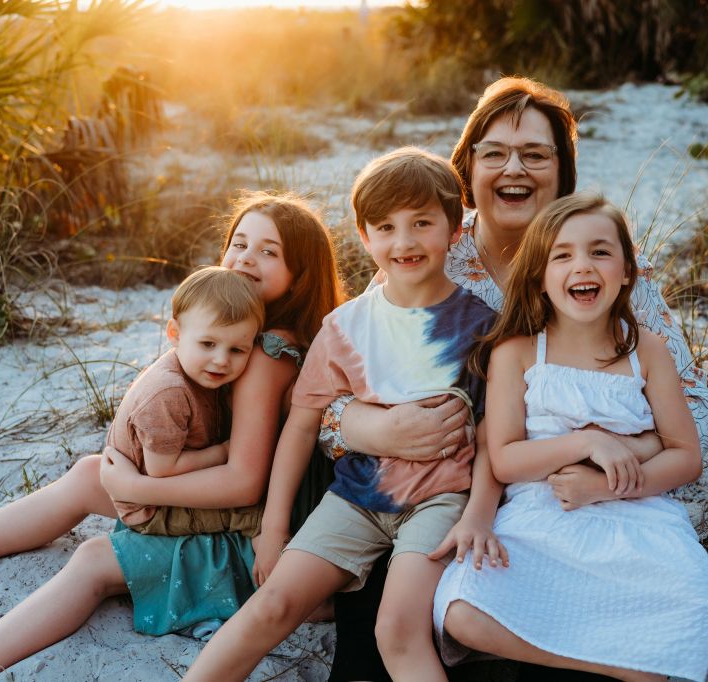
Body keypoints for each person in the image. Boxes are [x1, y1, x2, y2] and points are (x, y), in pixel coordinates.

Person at [324, 76, 708, 681]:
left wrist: (609, 455)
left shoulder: (610, 273)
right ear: (467, 169)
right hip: (445, 492)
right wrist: (375, 427)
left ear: (563, 173)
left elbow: (697, 412)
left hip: (579, 505)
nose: (516, 168)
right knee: (402, 606)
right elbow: (333, 400)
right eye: (495, 154)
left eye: (536, 154)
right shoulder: (426, 258)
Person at [0, 193, 343, 682]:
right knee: (88, 474)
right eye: (239, 242)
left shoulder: (267, 355)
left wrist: (139, 489)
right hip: (246, 512)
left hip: (262, 540)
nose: (245, 257)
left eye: (269, 251)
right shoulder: (244, 330)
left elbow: (244, 482)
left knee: (95, 558)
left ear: (300, 273)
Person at [182, 148, 505, 682]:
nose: (403, 242)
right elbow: (302, 426)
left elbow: (497, 430)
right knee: (271, 606)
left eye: (422, 223)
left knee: (398, 630)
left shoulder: (482, 327)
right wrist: (275, 526)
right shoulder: (345, 327)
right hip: (355, 498)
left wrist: (478, 513)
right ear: (364, 236)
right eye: (386, 227)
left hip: (441, 501)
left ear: (454, 229)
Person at [434, 192, 708, 682]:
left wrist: (604, 485)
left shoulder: (648, 353)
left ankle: (635, 660)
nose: (582, 266)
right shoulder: (518, 352)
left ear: (628, 271)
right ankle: (617, 665)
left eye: (600, 251)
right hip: (541, 519)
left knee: (696, 600)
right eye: (562, 255)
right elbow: (505, 459)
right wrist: (586, 443)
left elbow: (685, 455)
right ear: (540, 276)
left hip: (636, 519)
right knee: (463, 612)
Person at [107, 265, 265, 538]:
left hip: (165, 490)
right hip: (152, 508)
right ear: (175, 334)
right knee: (259, 514)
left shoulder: (198, 371)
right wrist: (225, 452)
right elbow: (161, 470)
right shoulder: (168, 392)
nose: (222, 360)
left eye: (237, 350)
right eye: (208, 344)